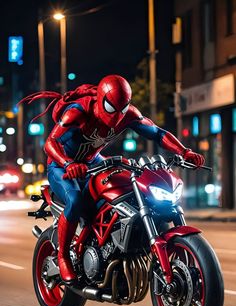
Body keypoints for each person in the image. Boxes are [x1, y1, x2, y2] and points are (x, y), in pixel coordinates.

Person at [20, 75, 205, 286]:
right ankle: (63, 257)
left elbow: (157, 133)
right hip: (62, 165)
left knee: (122, 185)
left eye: (122, 108)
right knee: (76, 200)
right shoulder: (78, 112)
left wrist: (184, 151)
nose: (117, 115)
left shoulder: (127, 114)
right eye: (111, 107)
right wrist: (68, 163)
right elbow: (50, 142)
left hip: (93, 160)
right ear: (101, 100)